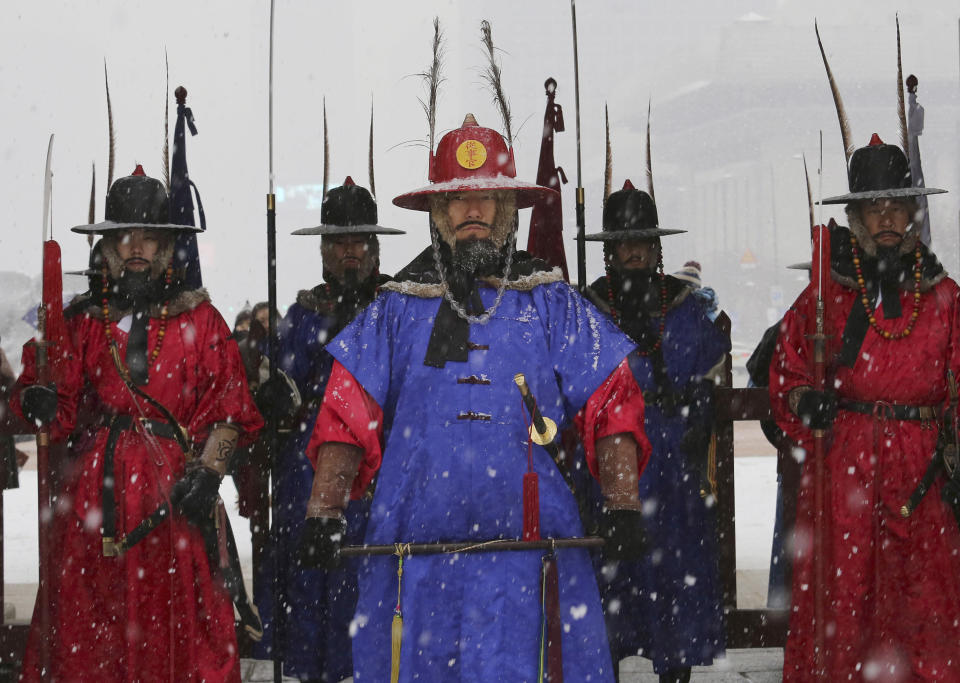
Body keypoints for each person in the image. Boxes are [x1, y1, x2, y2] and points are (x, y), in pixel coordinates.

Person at [298, 112, 651, 682]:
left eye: (486, 197)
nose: (473, 210)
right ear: (438, 213)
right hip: (413, 557)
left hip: (533, 554)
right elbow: (345, 413)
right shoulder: (392, 311)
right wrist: (324, 511)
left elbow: (612, 396)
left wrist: (623, 501)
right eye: (458, 198)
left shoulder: (550, 302)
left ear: (507, 209)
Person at [11, 165, 263, 681]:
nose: (137, 248)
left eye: (149, 238)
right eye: (125, 237)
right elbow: (53, 410)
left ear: (168, 248)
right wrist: (34, 397)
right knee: (91, 636)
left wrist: (209, 473)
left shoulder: (203, 321)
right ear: (107, 248)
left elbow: (231, 410)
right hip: (91, 510)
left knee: (180, 636)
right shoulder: (80, 321)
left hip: (177, 503)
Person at [769, 132, 960, 680]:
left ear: (912, 212)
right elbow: (788, 371)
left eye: (896, 206)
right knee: (845, 599)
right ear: (854, 216)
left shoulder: (945, 297)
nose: (886, 220)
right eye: (874, 208)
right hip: (847, 467)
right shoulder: (824, 297)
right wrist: (807, 403)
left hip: (923, 476)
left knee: (922, 602)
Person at [252, 176, 404, 681]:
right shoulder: (301, 315)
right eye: (338, 242)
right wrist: (275, 394)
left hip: (382, 473)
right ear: (322, 250)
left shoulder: (398, 310)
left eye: (358, 241)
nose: (349, 251)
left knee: (375, 585)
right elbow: (284, 392)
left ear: (374, 248)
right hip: (309, 472)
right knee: (312, 585)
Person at [585, 180, 728, 683]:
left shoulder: (686, 305)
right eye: (623, 242)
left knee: (676, 586)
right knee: (612, 593)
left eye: (642, 240)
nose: (633, 251)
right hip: (613, 469)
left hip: (674, 471)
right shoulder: (588, 311)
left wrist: (696, 412)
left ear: (656, 245)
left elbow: (710, 366)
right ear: (609, 250)